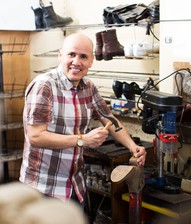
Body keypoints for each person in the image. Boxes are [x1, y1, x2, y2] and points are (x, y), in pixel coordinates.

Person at [19, 33, 146, 204]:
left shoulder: (88, 87)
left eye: (83, 56)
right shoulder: (44, 86)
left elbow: (108, 118)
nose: (76, 62)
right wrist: (82, 140)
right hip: (43, 188)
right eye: (71, 54)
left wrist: (133, 146)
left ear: (91, 61)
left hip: (74, 184)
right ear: (60, 55)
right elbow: (35, 136)